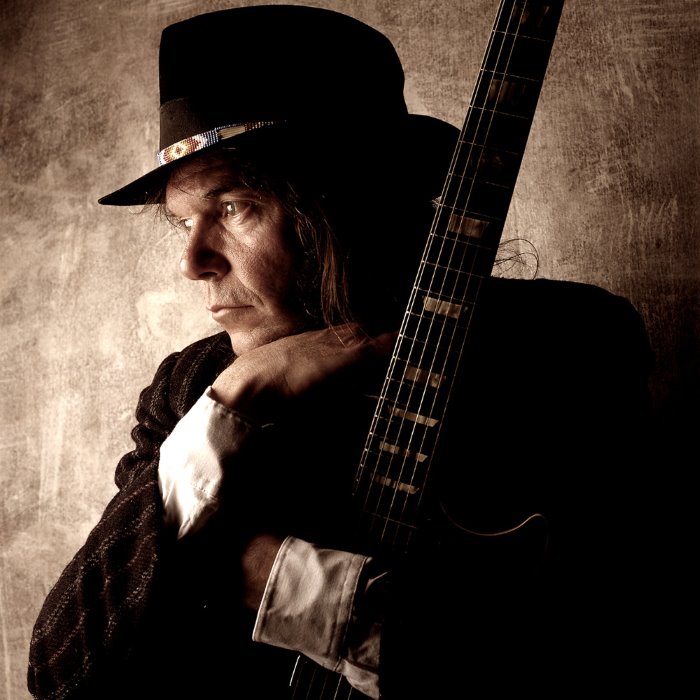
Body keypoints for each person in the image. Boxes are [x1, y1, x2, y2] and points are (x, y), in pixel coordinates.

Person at [27, 5, 663, 699]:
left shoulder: (561, 344)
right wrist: (240, 397)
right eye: (183, 223)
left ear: (343, 200)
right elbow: (62, 672)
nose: (193, 261)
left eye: (234, 207)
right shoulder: (193, 386)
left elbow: (590, 635)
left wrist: (270, 580)